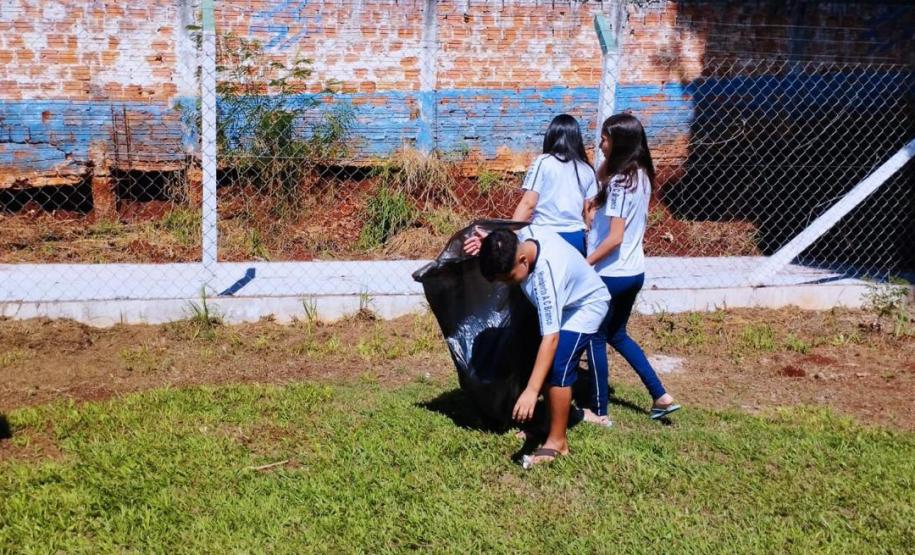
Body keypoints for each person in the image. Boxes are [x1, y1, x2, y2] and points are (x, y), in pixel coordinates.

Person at [476, 226, 610, 468]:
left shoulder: (547, 276)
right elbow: (506, 230)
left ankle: (558, 441)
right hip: (567, 303)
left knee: (559, 366)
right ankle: (546, 425)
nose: (507, 284)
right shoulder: (522, 238)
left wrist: (531, 390)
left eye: (508, 278)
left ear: (523, 260)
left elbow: (551, 338)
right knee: (546, 363)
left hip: (585, 307)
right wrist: (487, 241)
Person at [583, 113, 680, 421]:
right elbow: (600, 175)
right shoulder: (640, 175)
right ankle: (660, 395)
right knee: (618, 334)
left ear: (621, 142)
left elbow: (614, 239)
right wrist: (609, 159)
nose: (600, 143)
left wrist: (585, 265)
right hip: (634, 272)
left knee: (595, 337)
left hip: (610, 273)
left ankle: (599, 410)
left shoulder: (620, 184)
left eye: (606, 138)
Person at [511, 114, 597, 256]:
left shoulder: (543, 162)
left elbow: (528, 203)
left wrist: (512, 235)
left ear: (551, 136)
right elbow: (591, 213)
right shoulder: (587, 169)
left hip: (546, 237)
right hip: (576, 239)